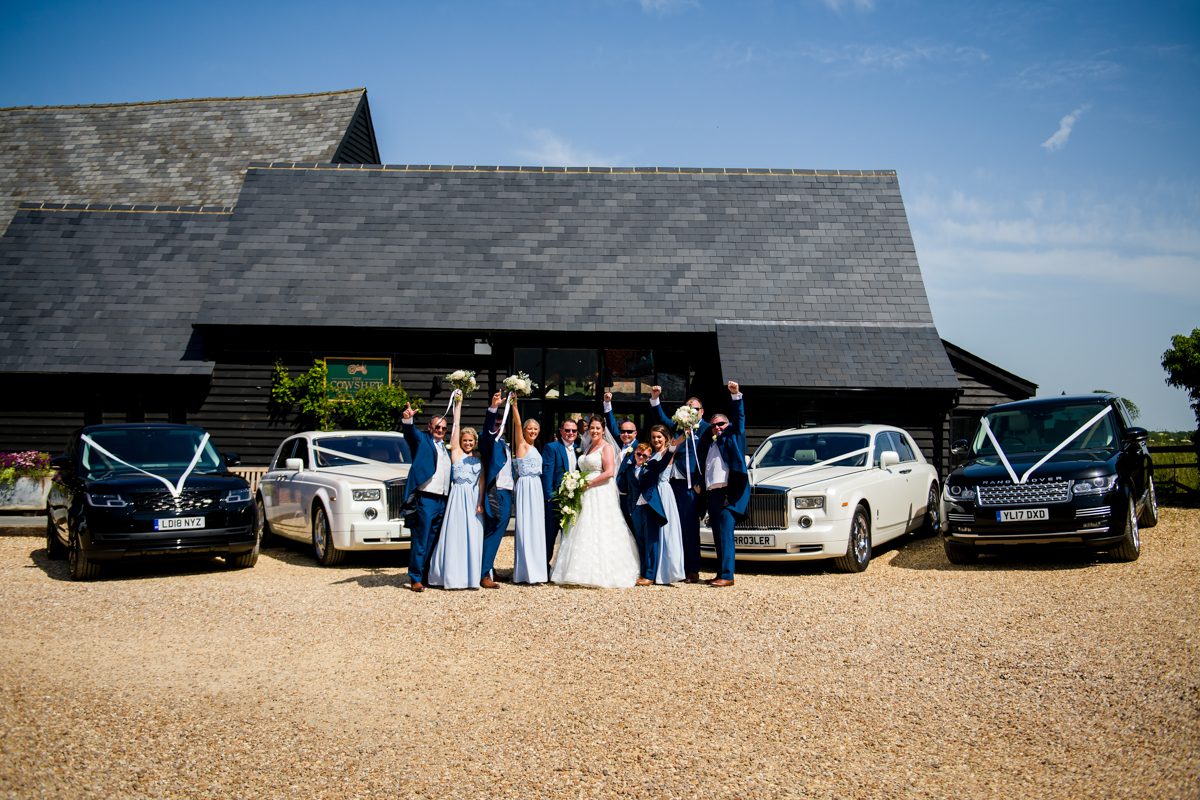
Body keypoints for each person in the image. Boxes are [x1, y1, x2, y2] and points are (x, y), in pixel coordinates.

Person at [550, 415, 641, 588]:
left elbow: (609, 472)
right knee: (582, 528)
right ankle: (577, 570)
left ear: (603, 429)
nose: (594, 431)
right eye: (592, 428)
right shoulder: (587, 447)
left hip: (599, 491)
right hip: (584, 492)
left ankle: (602, 572)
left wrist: (587, 484)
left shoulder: (606, 447)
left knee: (600, 528)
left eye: (598, 428)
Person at [649, 386, 710, 583]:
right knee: (673, 527)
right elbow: (662, 419)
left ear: (701, 411)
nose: (691, 411)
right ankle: (676, 567)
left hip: (690, 485)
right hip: (671, 484)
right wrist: (655, 399)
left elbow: (709, 458)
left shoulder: (708, 429)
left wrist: (701, 483)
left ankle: (692, 569)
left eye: (694, 408)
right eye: (687, 408)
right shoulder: (677, 428)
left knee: (690, 528)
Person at [426, 391, 485, 589]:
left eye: (471, 441)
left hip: (473, 499)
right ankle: (451, 575)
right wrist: (458, 405)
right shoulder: (456, 454)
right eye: (465, 440)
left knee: (473, 536)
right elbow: (456, 426)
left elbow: (482, 483)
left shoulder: (479, 460)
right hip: (457, 498)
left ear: (475, 442)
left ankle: (471, 575)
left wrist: (480, 503)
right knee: (455, 535)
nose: (468, 443)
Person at [695, 381, 749, 588]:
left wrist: (736, 396)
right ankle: (721, 572)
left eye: (721, 424)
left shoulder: (733, 437)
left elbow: (739, 419)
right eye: (714, 424)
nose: (717, 427)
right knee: (718, 535)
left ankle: (728, 575)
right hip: (713, 494)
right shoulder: (708, 444)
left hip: (730, 494)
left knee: (725, 534)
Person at [400, 403, 452, 593]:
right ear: (430, 427)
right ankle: (415, 577)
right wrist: (408, 420)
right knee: (420, 539)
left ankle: (425, 574)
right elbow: (410, 434)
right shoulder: (422, 441)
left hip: (443, 500)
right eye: (437, 427)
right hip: (426, 498)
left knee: (433, 539)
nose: (440, 430)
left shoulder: (446, 449)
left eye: (443, 428)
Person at [510, 399, 548, 584]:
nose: (532, 431)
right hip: (525, 486)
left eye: (535, 429)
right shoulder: (522, 445)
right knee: (526, 526)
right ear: (524, 431)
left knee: (536, 528)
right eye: (529, 428)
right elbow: (517, 424)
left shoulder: (535, 448)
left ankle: (537, 571)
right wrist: (515, 406)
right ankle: (525, 571)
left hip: (537, 488)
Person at [478, 392, 514, 589]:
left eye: (501, 423)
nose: (498, 426)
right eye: (495, 423)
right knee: (493, 530)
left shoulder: (504, 444)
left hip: (507, 491)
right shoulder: (488, 441)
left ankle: (489, 568)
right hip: (497, 491)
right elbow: (486, 431)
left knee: (498, 531)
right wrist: (493, 408)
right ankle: (483, 573)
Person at [646, 424, 686, 585]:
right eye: (654, 437)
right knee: (655, 532)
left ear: (665, 438)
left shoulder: (668, 452)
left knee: (666, 531)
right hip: (653, 492)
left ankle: (668, 571)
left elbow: (677, 441)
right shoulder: (651, 453)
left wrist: (686, 429)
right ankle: (654, 569)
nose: (656, 440)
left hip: (663, 491)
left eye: (659, 437)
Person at [541, 417, 579, 571]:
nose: (570, 433)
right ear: (561, 431)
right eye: (567, 430)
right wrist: (550, 497)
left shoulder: (580, 449)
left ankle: (564, 569)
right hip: (555, 500)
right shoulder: (552, 447)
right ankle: (543, 568)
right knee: (550, 536)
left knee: (569, 536)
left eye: (574, 430)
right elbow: (547, 473)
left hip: (573, 500)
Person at [602, 391, 640, 531]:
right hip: (614, 494)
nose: (626, 434)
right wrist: (607, 403)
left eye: (629, 432)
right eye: (623, 431)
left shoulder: (640, 449)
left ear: (635, 433)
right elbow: (611, 424)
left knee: (632, 529)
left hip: (630, 496)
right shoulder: (618, 442)